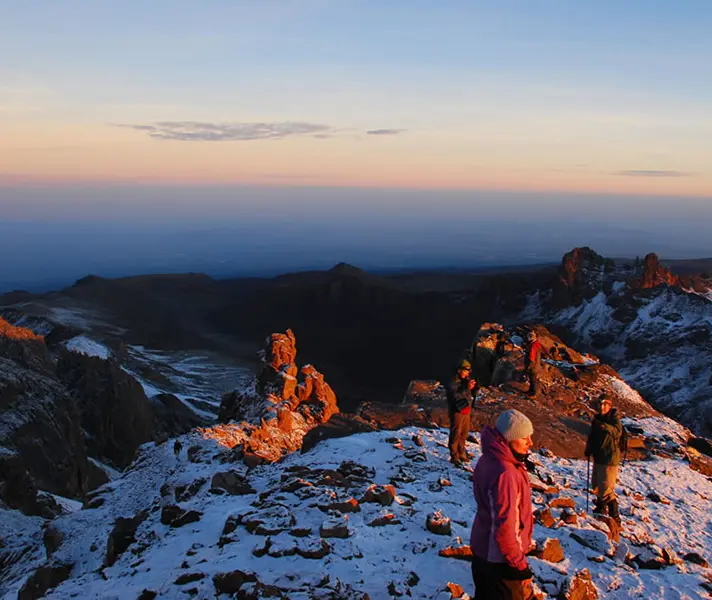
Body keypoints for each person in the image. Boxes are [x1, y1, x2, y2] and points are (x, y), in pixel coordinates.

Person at [470, 409, 535, 600]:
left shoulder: (489, 458)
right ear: (509, 439)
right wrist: (520, 566)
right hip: (500, 562)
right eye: (525, 438)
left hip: (482, 551)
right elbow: (505, 529)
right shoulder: (505, 473)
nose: (530, 443)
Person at [585, 395, 623, 523]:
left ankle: (615, 517)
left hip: (609, 458)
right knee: (596, 484)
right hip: (599, 456)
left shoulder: (614, 419)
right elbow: (592, 435)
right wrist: (589, 448)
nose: (602, 407)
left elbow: (617, 432)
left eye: (605, 404)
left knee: (606, 487)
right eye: (600, 404)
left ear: (609, 405)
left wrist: (603, 426)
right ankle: (601, 509)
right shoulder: (598, 418)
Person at [447, 359, 476, 466]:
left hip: (466, 409)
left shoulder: (464, 381)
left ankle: (461, 452)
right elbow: (456, 396)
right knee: (456, 433)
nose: (468, 373)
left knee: (464, 433)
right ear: (459, 370)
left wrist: (472, 388)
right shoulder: (452, 382)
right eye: (466, 370)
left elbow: (468, 394)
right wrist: (467, 388)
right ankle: (454, 456)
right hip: (457, 410)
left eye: (469, 371)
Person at [524, 330, 543, 397]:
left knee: (533, 380)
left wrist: (529, 366)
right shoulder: (537, 344)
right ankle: (531, 391)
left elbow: (531, 357)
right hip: (536, 365)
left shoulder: (533, 346)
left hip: (533, 366)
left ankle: (534, 393)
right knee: (532, 379)